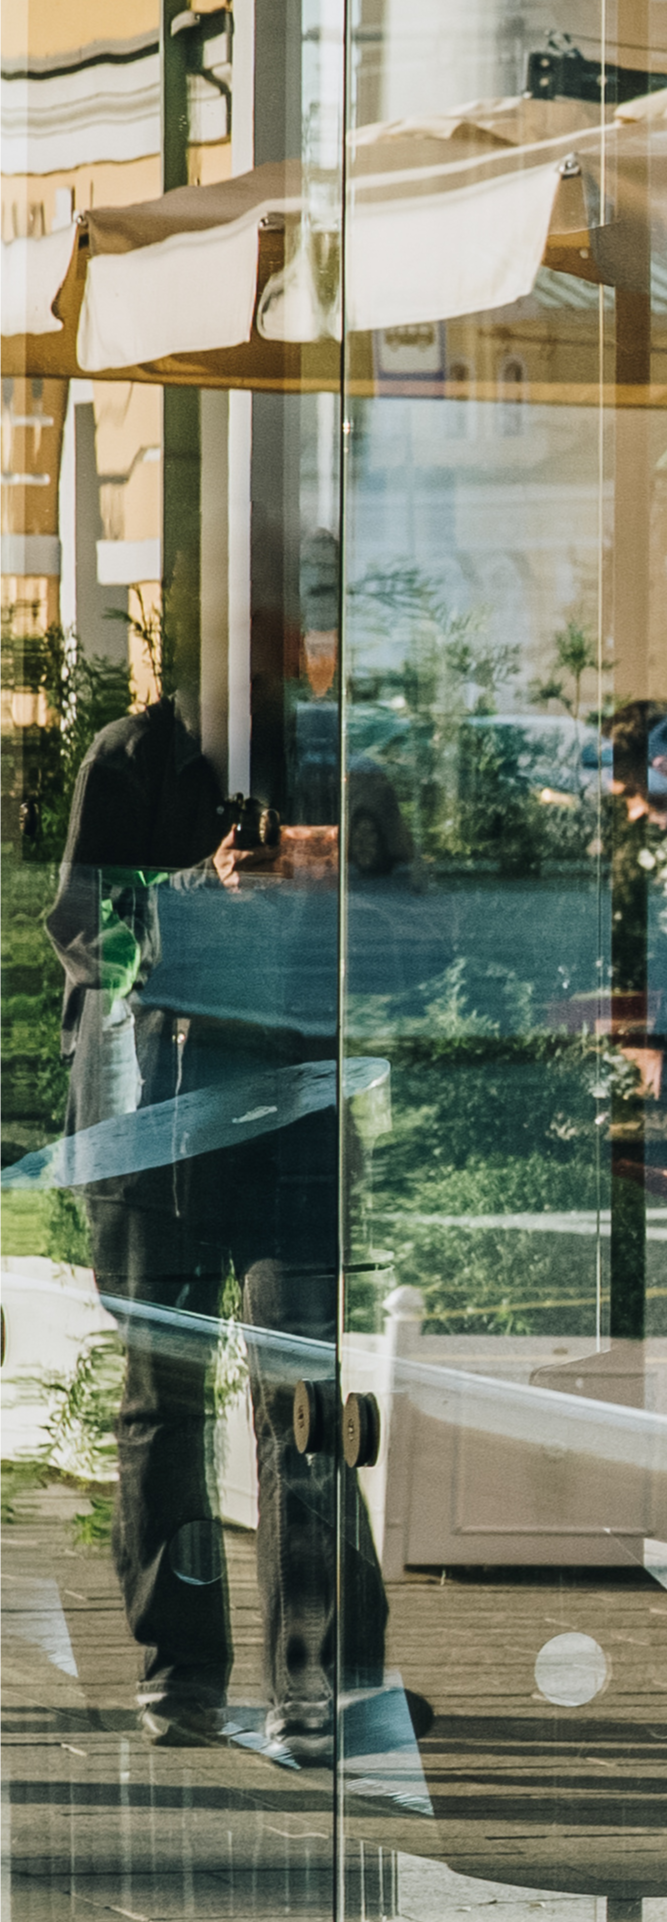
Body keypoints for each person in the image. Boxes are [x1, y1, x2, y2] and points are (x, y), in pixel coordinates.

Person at [44, 695, 393, 1759]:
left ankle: (317, 1680)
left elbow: (426, 941)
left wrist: (339, 887)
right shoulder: (133, 757)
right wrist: (204, 885)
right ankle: (182, 1674)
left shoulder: (340, 756)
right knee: (164, 1400)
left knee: (304, 1399)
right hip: (151, 1117)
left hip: (292, 1116)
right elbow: (87, 939)